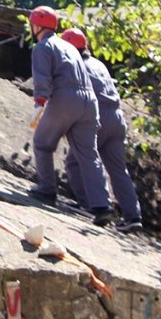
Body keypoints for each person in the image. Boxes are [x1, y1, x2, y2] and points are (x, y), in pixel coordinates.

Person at [26, 6, 115, 225]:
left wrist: (40, 102)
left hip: (65, 98)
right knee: (88, 153)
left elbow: (42, 77)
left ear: (37, 26)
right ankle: (102, 206)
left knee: (42, 142)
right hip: (89, 101)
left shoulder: (42, 47)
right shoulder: (70, 47)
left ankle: (47, 189)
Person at [60, 28, 144, 232]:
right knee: (117, 169)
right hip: (117, 119)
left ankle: (90, 205)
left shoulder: (74, 66)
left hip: (97, 118)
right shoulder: (99, 64)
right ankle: (133, 217)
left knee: (74, 161)